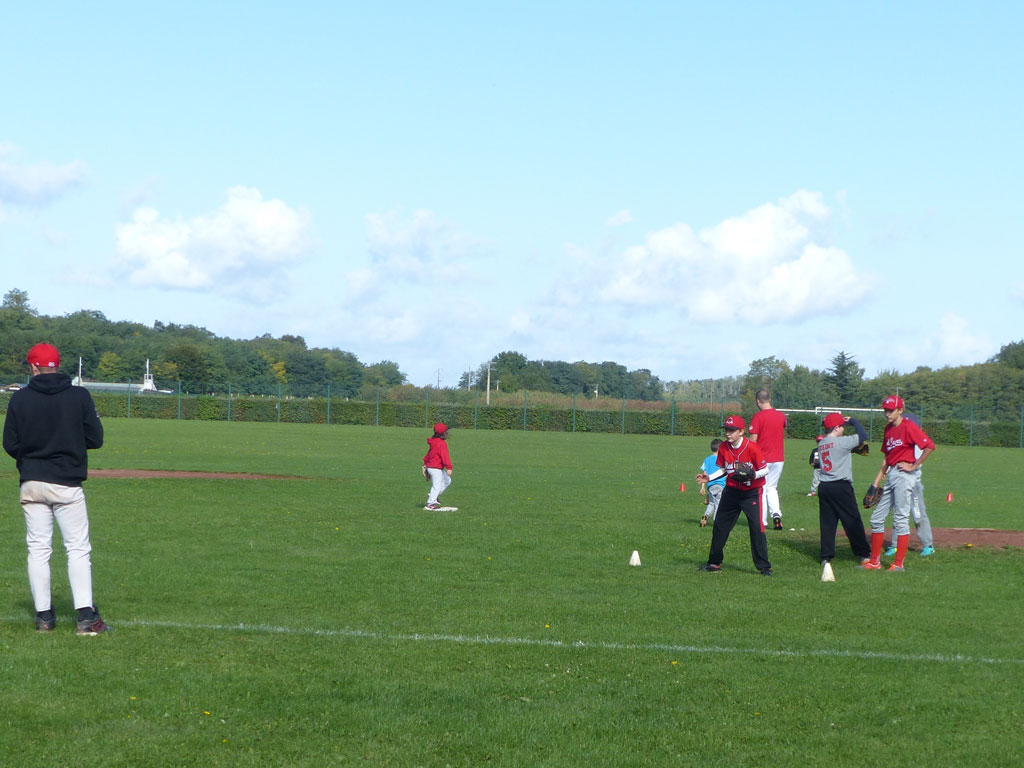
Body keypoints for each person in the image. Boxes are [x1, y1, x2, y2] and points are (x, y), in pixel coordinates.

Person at [2, 343, 110, 634]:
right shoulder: (79, 395)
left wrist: (31, 457)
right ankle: (86, 617)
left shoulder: (20, 398)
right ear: (58, 365)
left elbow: (10, 443)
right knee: (77, 549)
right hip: (66, 481)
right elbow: (96, 438)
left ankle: (44, 618)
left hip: (32, 481)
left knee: (38, 549)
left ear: (33, 367)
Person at [862, 395, 936, 571]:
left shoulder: (909, 426)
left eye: (891, 410)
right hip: (892, 474)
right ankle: (874, 562)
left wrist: (914, 465)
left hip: (904, 475)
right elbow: (887, 457)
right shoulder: (888, 429)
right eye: (885, 410)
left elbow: (929, 446)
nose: (887, 414)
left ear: (900, 410)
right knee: (876, 519)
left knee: (901, 518)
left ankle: (898, 564)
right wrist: (876, 482)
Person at [698, 415, 773, 576]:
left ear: (741, 431)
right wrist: (709, 478)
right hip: (731, 492)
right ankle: (714, 563)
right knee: (720, 526)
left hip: (751, 493)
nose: (728, 433)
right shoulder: (724, 447)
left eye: (732, 430)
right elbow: (724, 469)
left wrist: (753, 475)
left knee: (756, 527)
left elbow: (765, 469)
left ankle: (764, 567)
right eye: (726, 430)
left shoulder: (752, 447)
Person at [816, 413, 871, 566]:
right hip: (840, 486)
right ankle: (864, 554)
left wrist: (850, 451)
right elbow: (863, 435)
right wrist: (853, 421)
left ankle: (826, 557)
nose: (843, 429)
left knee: (828, 523)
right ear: (836, 428)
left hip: (824, 486)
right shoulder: (842, 442)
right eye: (842, 426)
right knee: (852, 520)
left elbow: (835, 452)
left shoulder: (821, 443)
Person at [884, 412, 935, 557]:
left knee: (918, 514)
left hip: (913, 483)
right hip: (898, 481)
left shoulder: (916, 440)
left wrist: (912, 466)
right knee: (899, 513)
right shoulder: (900, 439)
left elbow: (927, 449)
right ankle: (895, 545)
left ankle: (928, 545)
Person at [749, 389, 786, 529]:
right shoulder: (781, 416)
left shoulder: (758, 417)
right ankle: (776, 514)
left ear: (758, 401)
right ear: (769, 399)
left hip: (763, 459)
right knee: (772, 487)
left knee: (762, 489)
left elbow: (753, 439)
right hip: (779, 458)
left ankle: (762, 521)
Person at [422, 422, 453, 510]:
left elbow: (429, 454)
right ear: (442, 433)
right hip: (435, 468)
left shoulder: (434, 442)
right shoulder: (441, 443)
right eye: (446, 432)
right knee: (437, 485)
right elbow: (445, 456)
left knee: (447, 481)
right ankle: (430, 504)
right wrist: (449, 468)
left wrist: (425, 463)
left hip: (433, 467)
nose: (447, 433)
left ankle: (434, 496)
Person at [696, 438, 726, 527]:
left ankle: (706, 516)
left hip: (710, 486)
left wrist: (702, 487)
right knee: (718, 504)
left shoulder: (707, 459)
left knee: (712, 503)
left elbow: (704, 474)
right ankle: (717, 521)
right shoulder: (722, 459)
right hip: (720, 485)